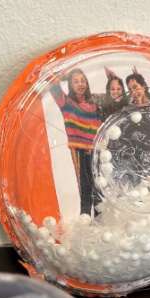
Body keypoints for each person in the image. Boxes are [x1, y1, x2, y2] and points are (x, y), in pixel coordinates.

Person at [49, 68, 102, 216]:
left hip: (97, 151)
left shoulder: (95, 102)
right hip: (80, 151)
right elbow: (51, 82)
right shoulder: (65, 102)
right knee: (85, 188)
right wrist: (66, 75)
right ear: (70, 85)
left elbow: (114, 97)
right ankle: (85, 219)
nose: (80, 84)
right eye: (76, 81)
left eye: (83, 80)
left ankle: (101, 221)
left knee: (99, 188)